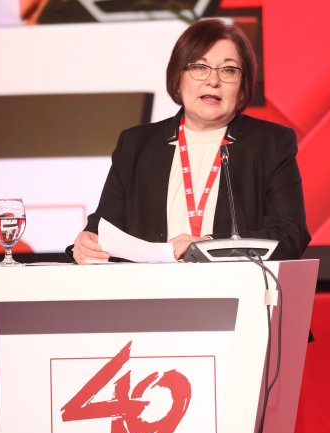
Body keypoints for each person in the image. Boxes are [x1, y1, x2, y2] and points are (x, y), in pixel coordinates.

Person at [69, 19, 311, 264]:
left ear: (242, 86)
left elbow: (290, 235)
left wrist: (210, 245)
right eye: (199, 67)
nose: (213, 81)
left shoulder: (270, 144)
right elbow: (103, 230)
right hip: (149, 287)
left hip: (232, 286)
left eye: (228, 70)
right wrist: (86, 243)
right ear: (178, 77)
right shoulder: (136, 146)